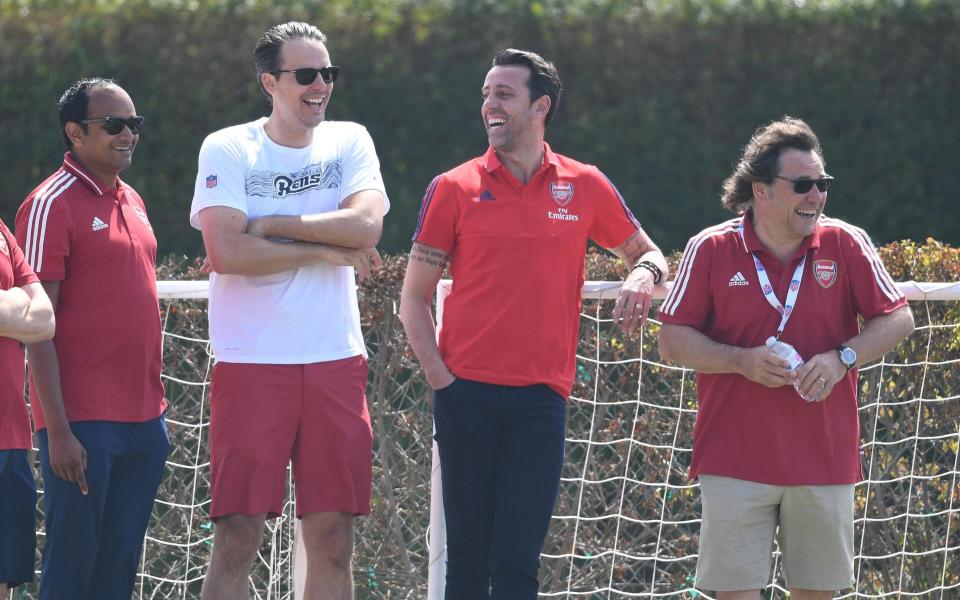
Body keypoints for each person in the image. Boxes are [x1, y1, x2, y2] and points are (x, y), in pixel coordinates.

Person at [400, 48, 668, 599]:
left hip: (541, 400)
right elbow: (413, 300)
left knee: (519, 566)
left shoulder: (584, 183)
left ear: (540, 105)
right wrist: (442, 381)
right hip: (464, 395)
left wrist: (641, 275)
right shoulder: (453, 187)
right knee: (466, 567)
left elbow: (650, 254)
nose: (488, 105)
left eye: (503, 94)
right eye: (485, 94)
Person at [658, 117, 915, 599]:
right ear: (761, 189)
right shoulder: (710, 247)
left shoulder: (846, 241)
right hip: (734, 460)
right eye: (801, 184)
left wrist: (843, 357)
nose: (815, 195)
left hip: (823, 459)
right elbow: (672, 340)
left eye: (822, 184)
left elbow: (899, 319)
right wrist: (740, 360)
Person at [190, 21, 387, 600]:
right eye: (306, 74)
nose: (320, 85)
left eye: (328, 73)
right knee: (237, 538)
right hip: (251, 364)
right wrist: (329, 248)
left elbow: (367, 226)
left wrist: (270, 225)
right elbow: (227, 250)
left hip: (335, 363)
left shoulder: (350, 139)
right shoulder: (228, 146)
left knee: (334, 541)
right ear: (269, 82)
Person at [15, 78, 170, 600]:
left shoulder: (135, 199)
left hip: (146, 421)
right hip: (82, 424)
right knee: (71, 566)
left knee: (119, 565)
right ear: (75, 133)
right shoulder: (48, 203)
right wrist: (57, 429)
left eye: (135, 124)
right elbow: (37, 326)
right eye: (114, 125)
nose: (128, 134)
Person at [0, 219, 55, 597]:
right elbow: (27, 307)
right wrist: (16, 299)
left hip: (10, 441)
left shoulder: (2, 231)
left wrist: (22, 303)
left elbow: (45, 318)